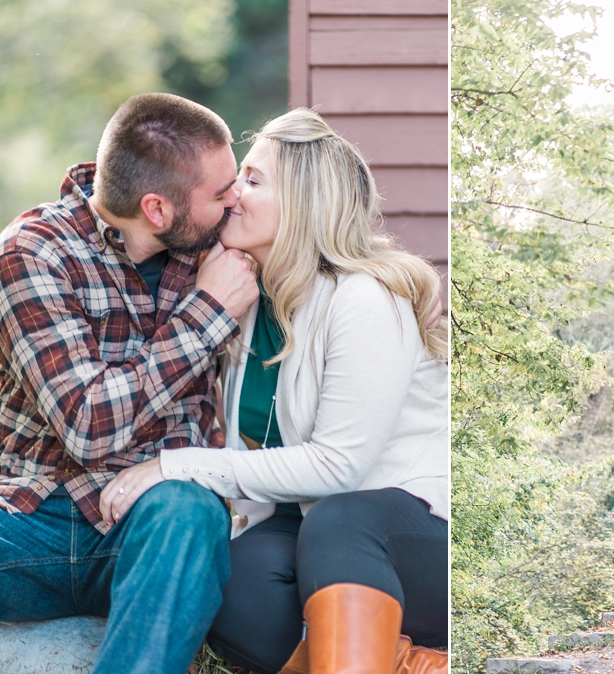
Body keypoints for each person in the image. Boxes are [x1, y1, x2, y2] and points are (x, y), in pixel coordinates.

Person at [102, 108, 449, 674]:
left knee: (342, 518)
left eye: (254, 180)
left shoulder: (363, 300)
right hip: (319, 534)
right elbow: (145, 192)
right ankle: (405, 663)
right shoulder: (244, 296)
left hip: (416, 537)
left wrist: (176, 466)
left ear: (306, 203)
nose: (233, 192)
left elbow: (337, 468)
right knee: (227, 575)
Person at [0, 93, 260, 673]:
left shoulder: (220, 248)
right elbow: (87, 425)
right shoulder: (32, 253)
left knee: (191, 512)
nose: (235, 199)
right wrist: (206, 313)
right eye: (221, 193)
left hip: (153, 525)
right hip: (25, 519)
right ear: (158, 210)